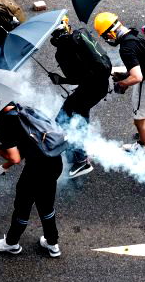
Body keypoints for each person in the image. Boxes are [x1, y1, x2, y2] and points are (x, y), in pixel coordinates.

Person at [0, 103, 66, 257]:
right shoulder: (24, 109)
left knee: (22, 206)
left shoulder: (5, 120)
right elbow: (28, 145)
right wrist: (3, 167)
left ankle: (11, 243)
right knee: (46, 204)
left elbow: (15, 157)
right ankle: (52, 243)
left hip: (36, 170)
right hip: (55, 163)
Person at [95, 12, 145, 159]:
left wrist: (122, 84)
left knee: (141, 122)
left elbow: (137, 77)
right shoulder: (134, 34)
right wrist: (125, 75)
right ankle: (142, 145)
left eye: (106, 36)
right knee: (140, 118)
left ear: (111, 33)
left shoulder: (126, 48)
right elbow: (142, 60)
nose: (107, 39)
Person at [48, 15, 112, 177]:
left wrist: (61, 79)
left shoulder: (61, 53)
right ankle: (74, 155)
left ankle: (81, 159)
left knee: (70, 120)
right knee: (69, 117)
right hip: (97, 86)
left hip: (89, 89)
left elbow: (77, 77)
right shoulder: (80, 34)